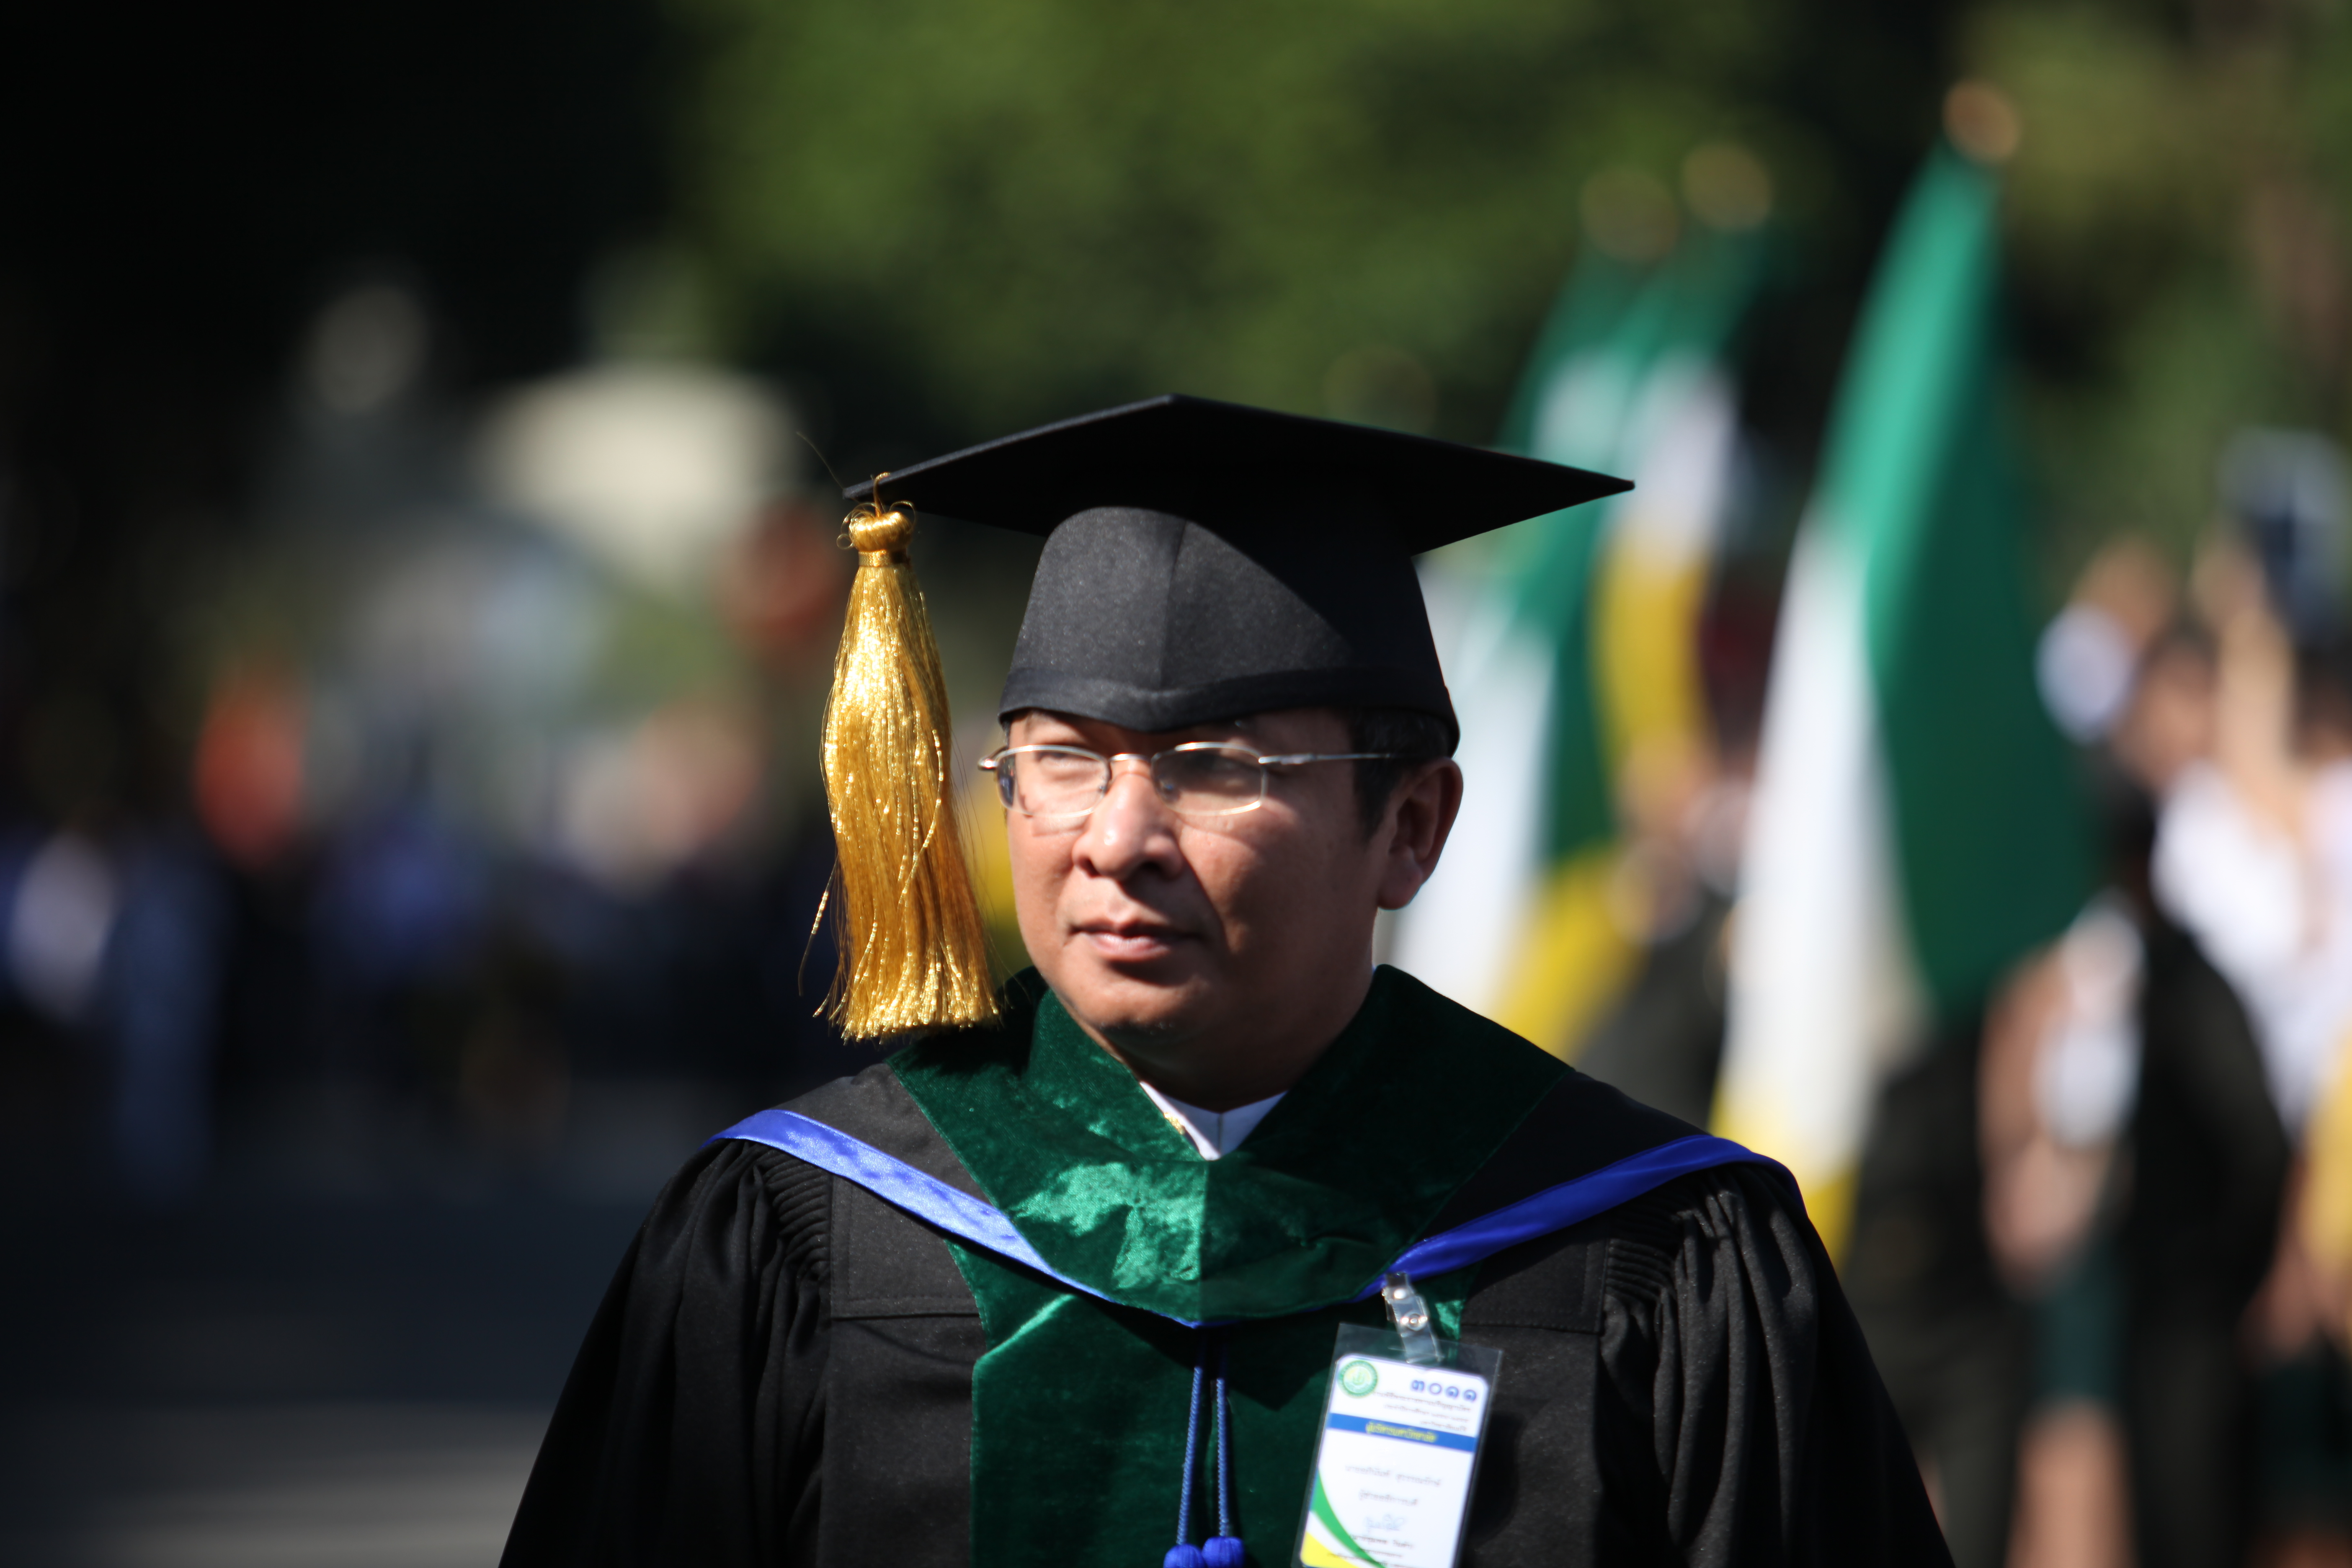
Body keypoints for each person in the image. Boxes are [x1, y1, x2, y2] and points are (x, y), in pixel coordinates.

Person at [500, 396, 1950, 1567]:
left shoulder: (1645, 1245)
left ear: (1412, 828)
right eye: (1062, 762)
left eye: (1214, 769)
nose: (1117, 840)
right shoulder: (806, 1230)